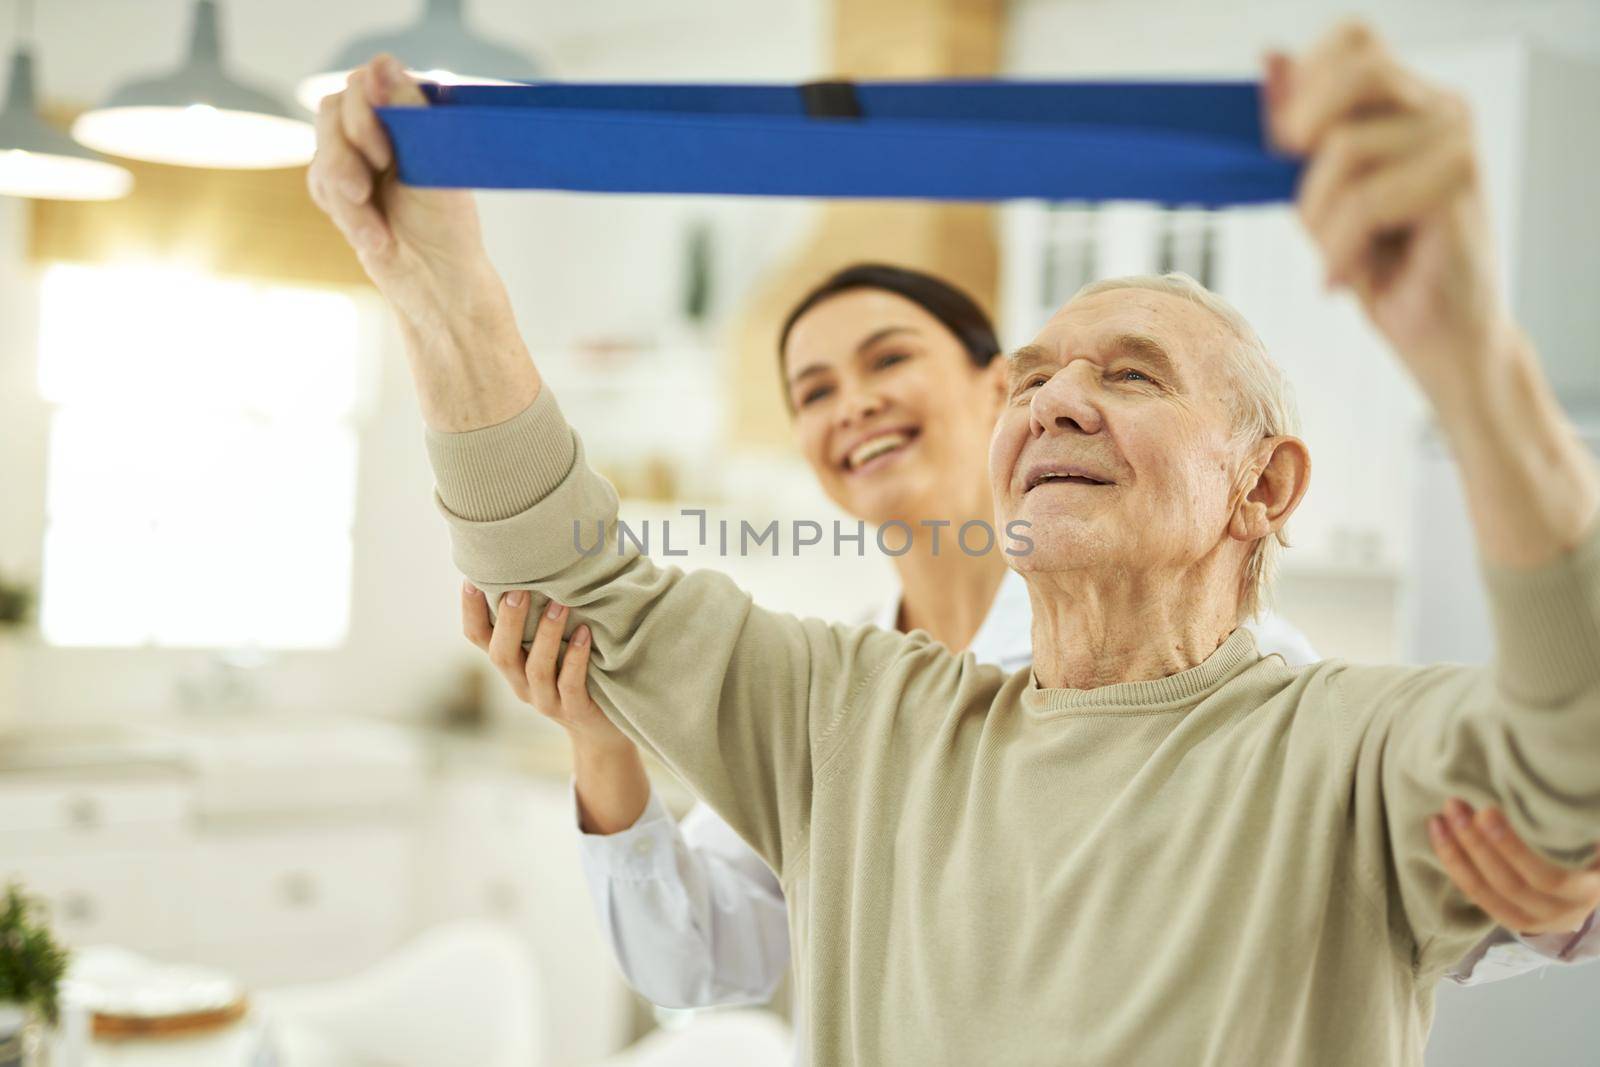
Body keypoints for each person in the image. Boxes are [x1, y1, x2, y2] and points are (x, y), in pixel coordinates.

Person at [308, 21, 1600, 1064]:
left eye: (1133, 373)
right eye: (1035, 376)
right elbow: (568, 571)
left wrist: (1471, 353)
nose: (1054, 397)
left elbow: (1573, 754)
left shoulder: (1344, 743)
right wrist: (438, 284)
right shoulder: (857, 710)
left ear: (1264, 486)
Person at [458, 264, 1598, 1021]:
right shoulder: (846, 702)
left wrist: (1561, 879)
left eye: (886, 360)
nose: (849, 404)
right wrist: (602, 734)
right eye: (812, 388)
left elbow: (1430, 856)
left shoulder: (1284, 712)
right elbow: (698, 960)